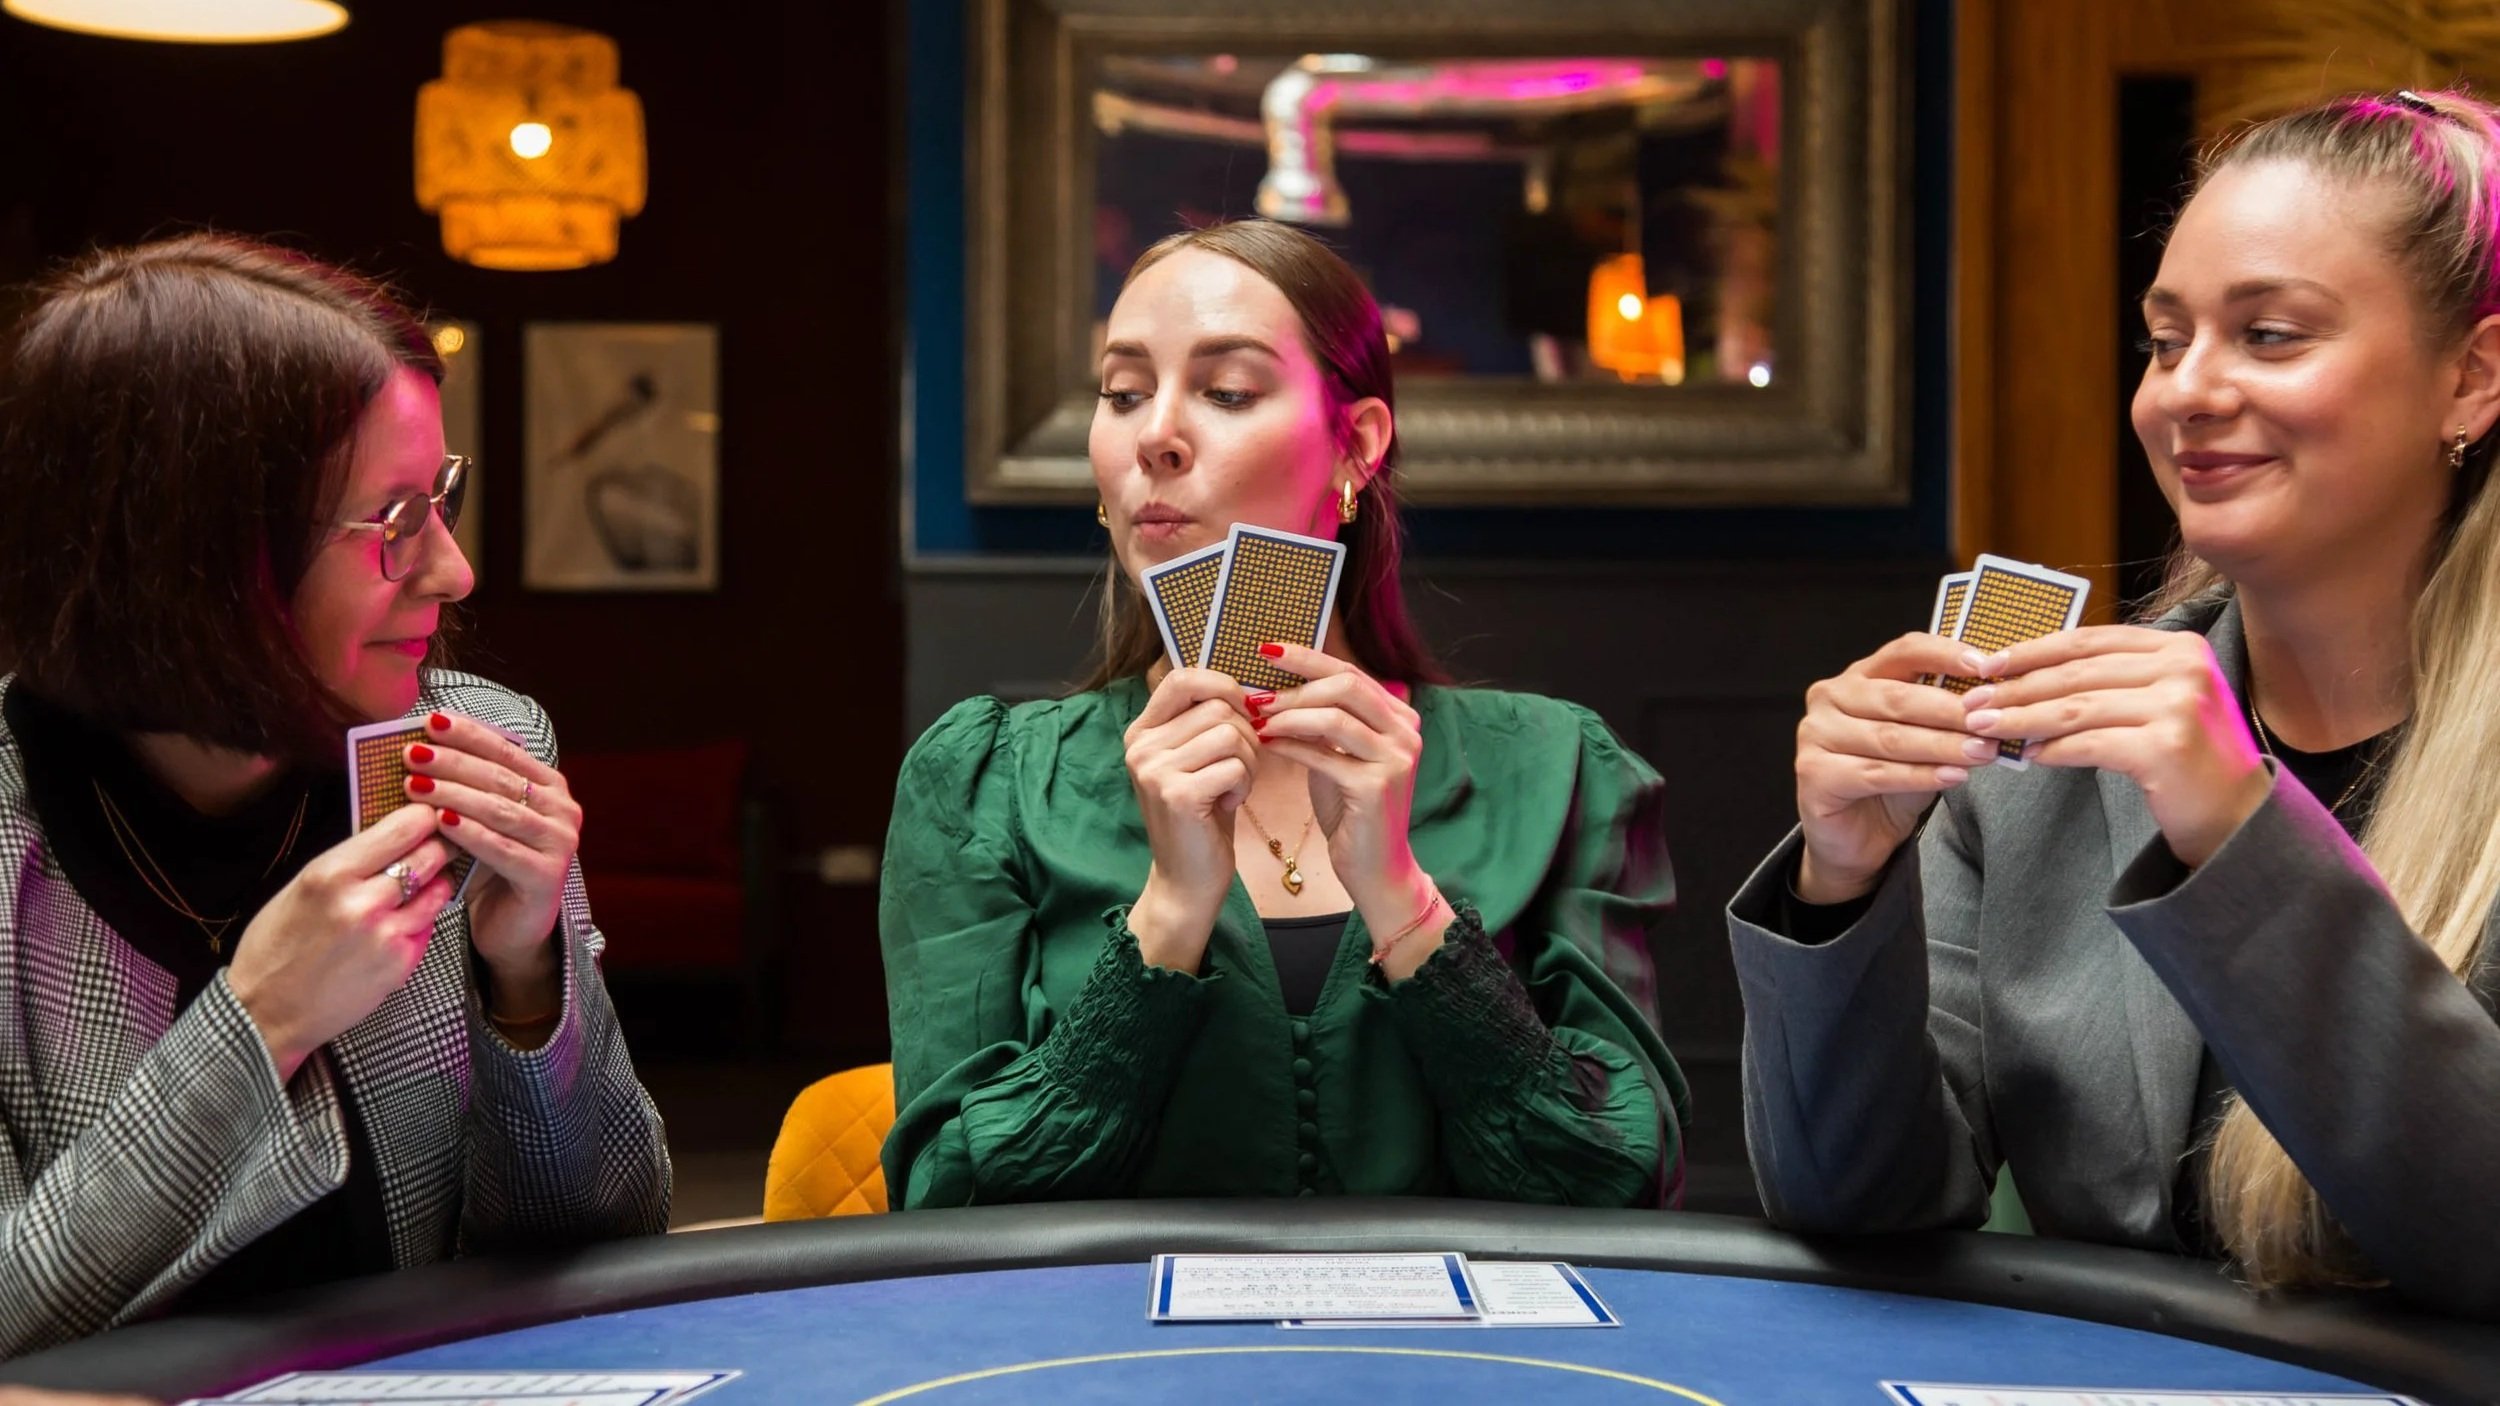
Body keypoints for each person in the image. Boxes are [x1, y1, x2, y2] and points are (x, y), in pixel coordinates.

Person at [1729, 89, 2500, 1315]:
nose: (2184, 391)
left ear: (2471, 377)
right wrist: (1843, 880)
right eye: (2163, 339)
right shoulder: (2043, 750)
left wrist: (2238, 836)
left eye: (2271, 334)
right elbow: (1857, 1201)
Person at [880, 219, 1685, 1207]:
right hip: (1111, 1358)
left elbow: (1618, 1183)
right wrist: (1169, 914)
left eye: (1225, 391)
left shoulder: (1559, 768)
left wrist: (1404, 900)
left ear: (1355, 444)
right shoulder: (984, 782)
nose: (1154, 436)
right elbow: (947, 1201)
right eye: (1123, 393)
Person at [0, 235, 670, 1358]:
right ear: (190, 555)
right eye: (394, 518)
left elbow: (604, 1236)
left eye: (441, 498)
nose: (454, 571)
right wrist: (260, 1021)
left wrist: (526, 977)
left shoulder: (475, 741)